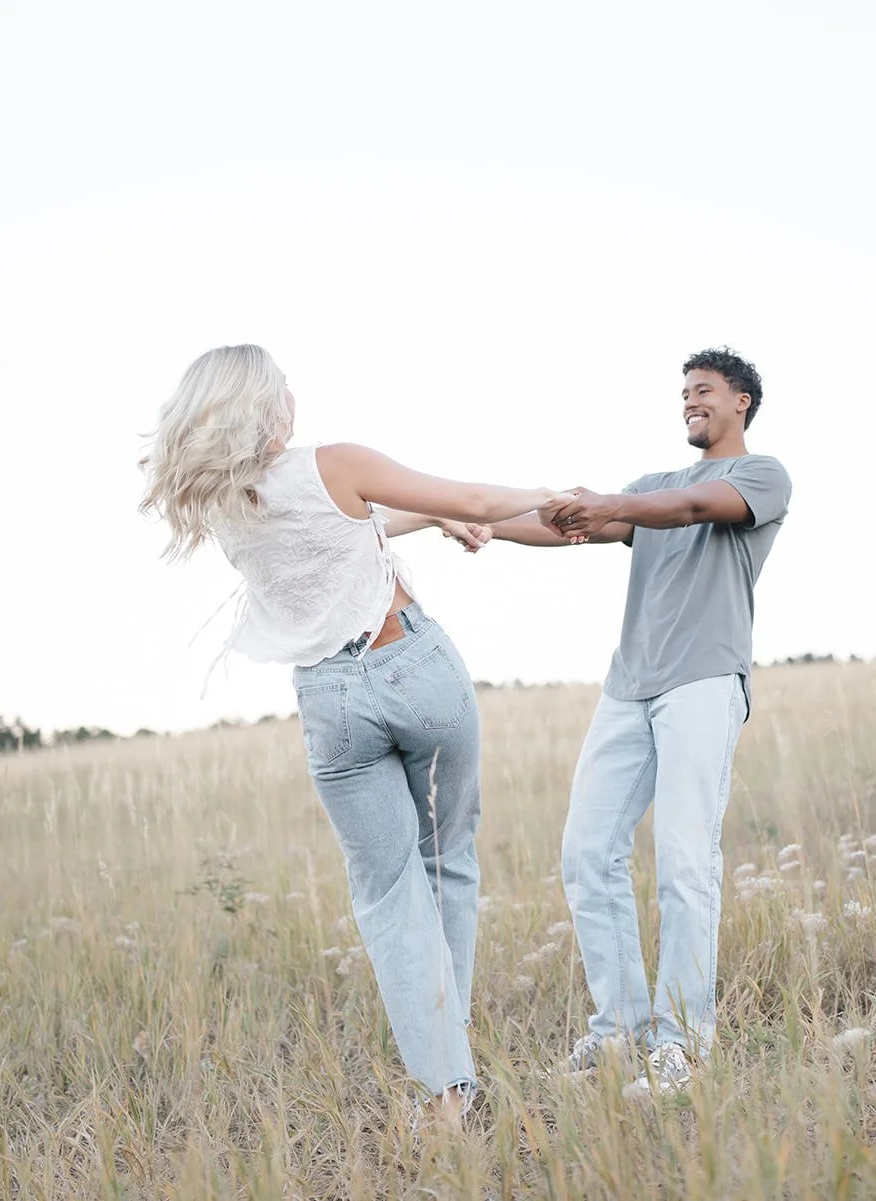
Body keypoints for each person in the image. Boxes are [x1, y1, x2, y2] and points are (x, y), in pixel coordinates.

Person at [139, 343, 567, 1123]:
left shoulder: (230, 505)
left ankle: (447, 1090)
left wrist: (429, 516)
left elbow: (351, 527)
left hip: (331, 703)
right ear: (268, 407)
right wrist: (540, 493)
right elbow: (473, 497)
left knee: (385, 892)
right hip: (412, 665)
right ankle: (453, 1058)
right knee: (448, 860)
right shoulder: (336, 462)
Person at [481, 347, 791, 1096]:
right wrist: (484, 524)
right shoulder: (650, 487)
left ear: (742, 401)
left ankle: (683, 1041)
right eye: (684, 391)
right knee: (586, 853)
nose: (691, 401)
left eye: (705, 390)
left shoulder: (761, 476)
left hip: (704, 682)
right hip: (630, 687)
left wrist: (611, 504)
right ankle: (619, 1031)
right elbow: (572, 528)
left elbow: (691, 510)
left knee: (686, 862)